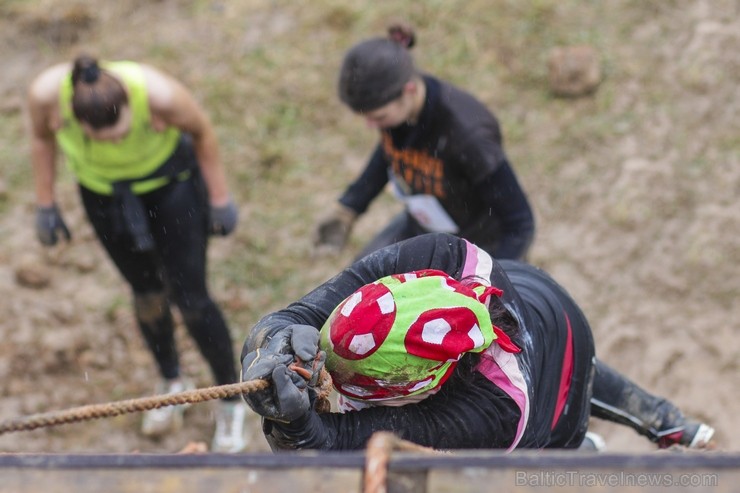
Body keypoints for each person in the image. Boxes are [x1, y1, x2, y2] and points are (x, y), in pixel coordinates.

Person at [240, 233, 715, 451]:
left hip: (553, 355)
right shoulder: (442, 254)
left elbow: (348, 440)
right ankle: (669, 419)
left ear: (423, 381)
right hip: (525, 292)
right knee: (575, 370)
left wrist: (299, 430)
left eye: (362, 385)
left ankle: (647, 427)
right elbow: (295, 315)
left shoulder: (496, 410)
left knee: (567, 404)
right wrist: (270, 343)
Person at [26, 54, 248, 452]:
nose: (113, 140)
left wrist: (219, 198)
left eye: (120, 132)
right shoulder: (47, 97)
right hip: (105, 198)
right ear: (77, 122)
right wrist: (45, 203)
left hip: (171, 189)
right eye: (103, 137)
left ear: (133, 108)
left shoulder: (159, 95)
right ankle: (172, 380)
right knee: (146, 294)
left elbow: (202, 131)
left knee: (192, 299)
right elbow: (41, 138)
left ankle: (231, 398)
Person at [314, 24, 535, 261]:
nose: (371, 125)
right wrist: (349, 207)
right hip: (424, 226)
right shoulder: (400, 114)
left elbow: (520, 225)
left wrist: (494, 281)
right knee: (362, 282)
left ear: (408, 90)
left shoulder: (469, 137)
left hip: (476, 246)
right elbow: (389, 154)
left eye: (378, 117)